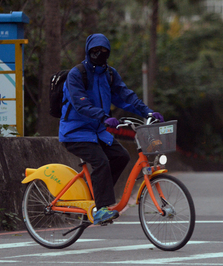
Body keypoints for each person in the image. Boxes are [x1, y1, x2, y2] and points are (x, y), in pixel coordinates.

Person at [59, 33, 164, 225]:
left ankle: (97, 198)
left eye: (104, 51)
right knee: (101, 162)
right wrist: (104, 117)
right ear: (88, 51)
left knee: (121, 157)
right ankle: (100, 209)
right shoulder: (76, 74)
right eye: (95, 51)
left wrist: (147, 112)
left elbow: (125, 96)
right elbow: (80, 104)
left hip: (97, 131)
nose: (99, 54)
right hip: (75, 132)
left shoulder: (109, 74)